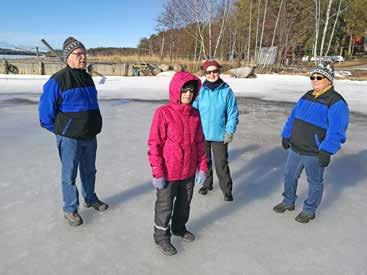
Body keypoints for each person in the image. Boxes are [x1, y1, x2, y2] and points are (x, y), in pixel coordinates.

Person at [39, 37, 108, 226]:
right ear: (68, 57)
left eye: (84, 53)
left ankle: (91, 198)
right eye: (78, 54)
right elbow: (45, 114)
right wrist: (62, 130)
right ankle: (70, 209)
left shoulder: (86, 77)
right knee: (69, 174)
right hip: (69, 137)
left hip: (89, 134)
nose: (83, 57)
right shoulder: (58, 80)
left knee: (90, 170)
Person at [273, 62, 349, 223]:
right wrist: (287, 135)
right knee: (289, 176)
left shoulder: (336, 102)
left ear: (329, 80)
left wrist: (327, 150)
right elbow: (293, 117)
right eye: (312, 77)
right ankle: (288, 201)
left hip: (315, 151)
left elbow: (337, 130)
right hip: (296, 146)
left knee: (314, 182)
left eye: (319, 77)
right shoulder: (307, 95)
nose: (314, 80)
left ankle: (309, 210)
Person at [148, 71, 208, 256]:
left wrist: (203, 167)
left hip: (188, 172)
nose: (188, 94)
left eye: (191, 90)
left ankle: (179, 228)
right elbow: (154, 143)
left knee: (184, 205)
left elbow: (200, 143)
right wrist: (158, 172)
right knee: (165, 206)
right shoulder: (163, 113)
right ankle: (161, 236)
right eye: (185, 90)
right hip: (169, 172)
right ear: (176, 91)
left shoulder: (195, 115)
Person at [192, 60, 239, 201]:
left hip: (219, 135)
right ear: (205, 73)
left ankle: (227, 190)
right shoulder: (200, 91)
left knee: (221, 164)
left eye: (215, 71)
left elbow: (232, 113)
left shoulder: (227, 91)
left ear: (219, 71)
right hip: (202, 134)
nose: (212, 74)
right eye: (209, 72)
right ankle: (207, 184)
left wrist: (229, 131)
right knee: (204, 162)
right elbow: (193, 110)